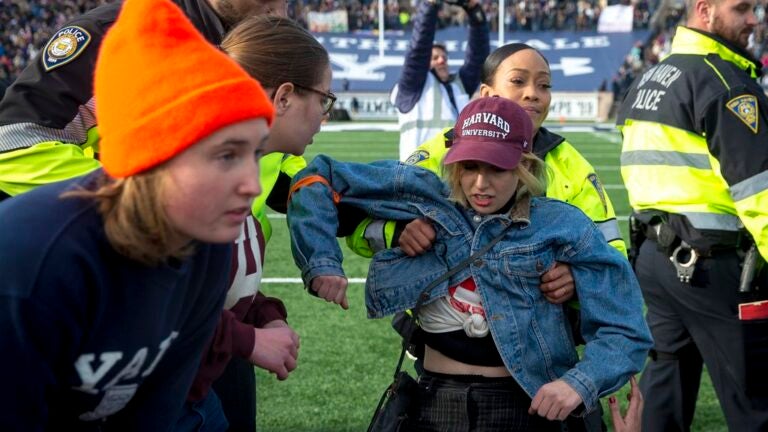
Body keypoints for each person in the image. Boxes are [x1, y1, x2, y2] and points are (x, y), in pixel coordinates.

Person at [287, 97, 652, 431]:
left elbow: (626, 328)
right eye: (469, 167)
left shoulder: (563, 225)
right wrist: (321, 262)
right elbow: (318, 177)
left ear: (524, 167)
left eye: (497, 169)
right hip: (431, 404)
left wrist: (579, 384)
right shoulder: (423, 195)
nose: (480, 183)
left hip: (526, 409)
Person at [0, 0, 282, 429]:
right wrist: (123, 198)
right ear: (156, 158)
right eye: (227, 155)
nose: (253, 184)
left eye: (255, 154)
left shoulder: (205, 247)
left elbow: (155, 413)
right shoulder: (30, 268)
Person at [176, 15, 335, 431]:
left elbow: (212, 288)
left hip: (192, 390)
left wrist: (263, 312)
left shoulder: (240, 164)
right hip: (160, 400)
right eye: (324, 100)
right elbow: (159, 306)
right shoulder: (196, 173)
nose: (324, 117)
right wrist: (249, 340)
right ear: (283, 97)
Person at [615, 0, 768, 429]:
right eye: (742, 9)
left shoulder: (651, 77)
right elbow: (760, 193)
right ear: (705, 11)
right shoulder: (723, 81)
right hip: (714, 266)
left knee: (665, 390)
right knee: (756, 401)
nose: (754, 20)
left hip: (656, 258)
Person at [391, 0, 489, 161]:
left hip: (452, 175)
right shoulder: (412, 87)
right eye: (435, 58)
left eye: (444, 57)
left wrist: (474, 11)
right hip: (418, 176)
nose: (442, 61)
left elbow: (478, 57)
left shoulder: (457, 85)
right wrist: (430, 6)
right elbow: (418, 50)